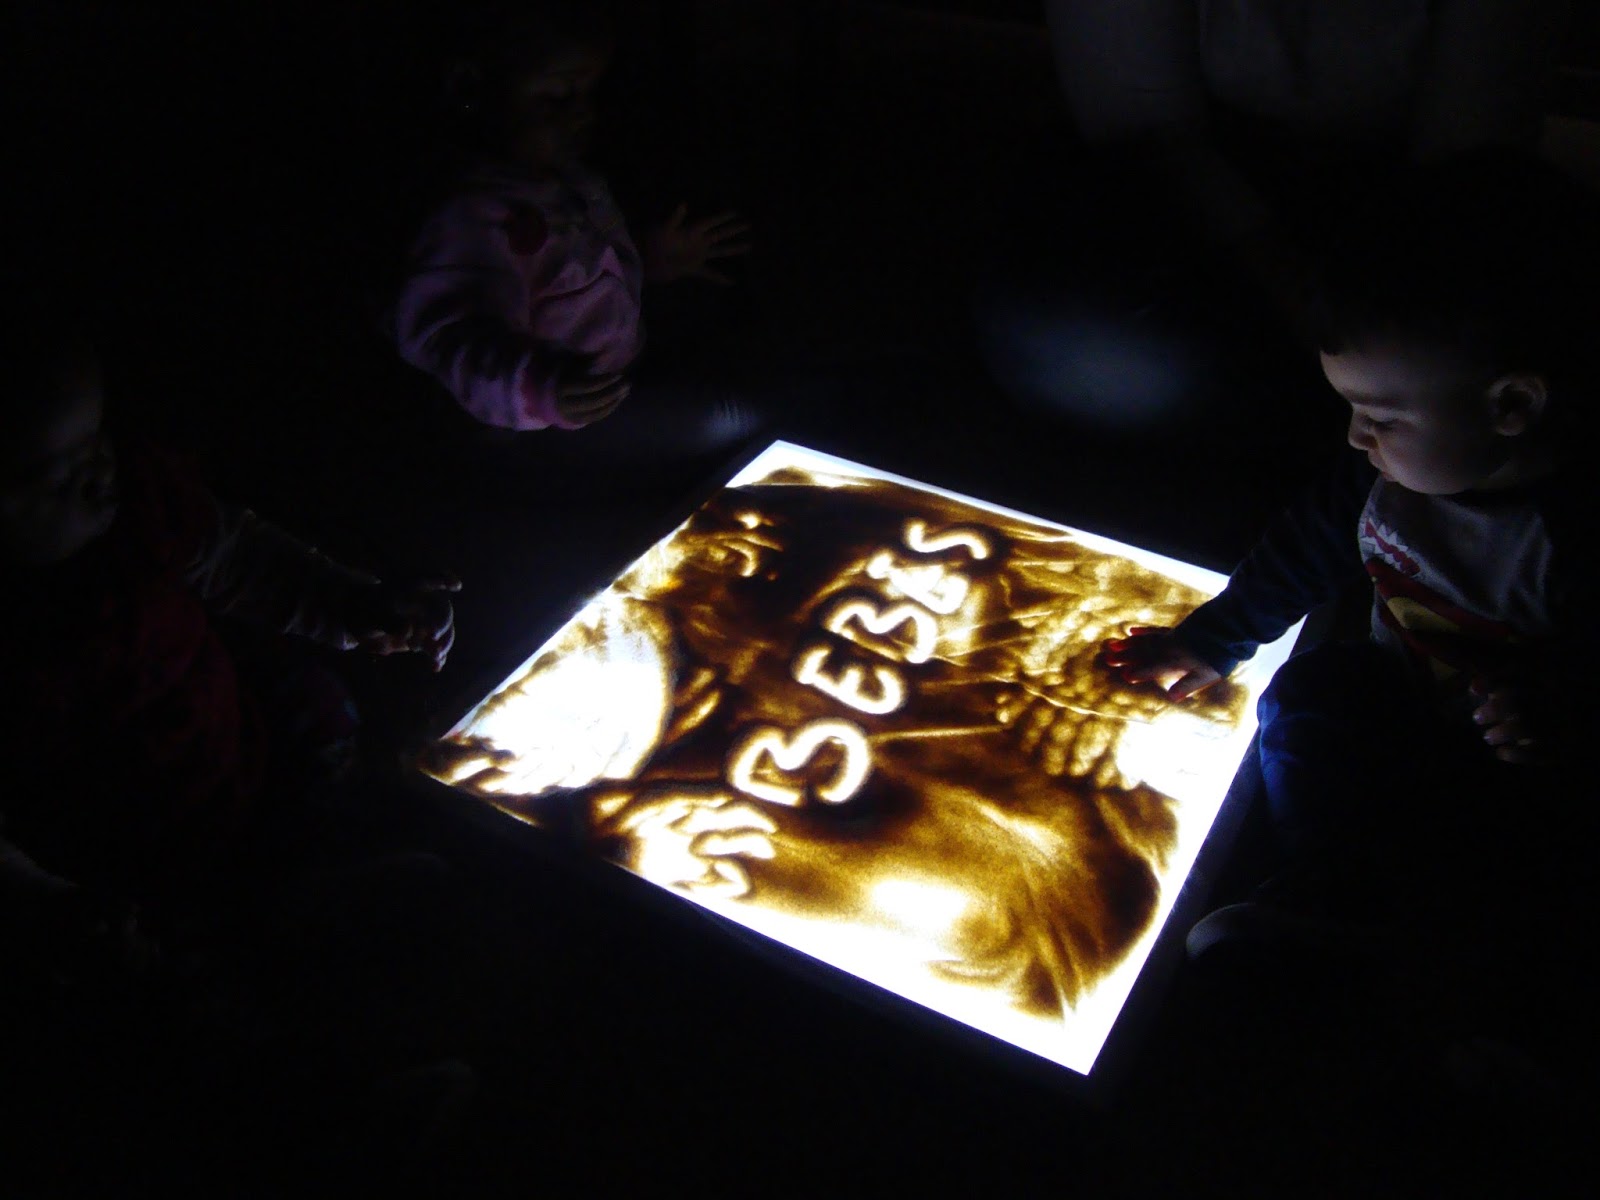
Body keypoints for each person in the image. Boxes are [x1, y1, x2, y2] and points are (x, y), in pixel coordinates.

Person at [1100, 157, 1599, 1087]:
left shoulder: (1570, 536)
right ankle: (1326, 895)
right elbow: (1302, 549)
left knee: (1539, 869)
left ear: (1512, 406)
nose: (1355, 438)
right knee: (1311, 696)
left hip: (1521, 768)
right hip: (1392, 694)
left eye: (1379, 416)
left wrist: (1556, 717)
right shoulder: (1382, 474)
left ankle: (1508, 1018)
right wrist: (1214, 638)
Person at [976, 0, 1571, 455]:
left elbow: (1472, 149)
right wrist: (1284, 280)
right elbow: (1142, 121)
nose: (1358, 440)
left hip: (1402, 202)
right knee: (1083, 345)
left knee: (1434, 364)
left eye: (1373, 421)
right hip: (1174, 188)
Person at [393, 0, 762, 493]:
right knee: (731, 414)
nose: (583, 113)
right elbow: (450, 335)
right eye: (556, 98)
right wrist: (541, 390)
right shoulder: (470, 217)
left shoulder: (571, 180)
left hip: (612, 379)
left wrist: (649, 262)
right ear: (472, 89)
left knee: (736, 351)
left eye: (588, 94)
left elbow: (575, 273)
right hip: (542, 427)